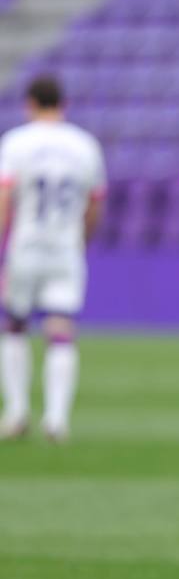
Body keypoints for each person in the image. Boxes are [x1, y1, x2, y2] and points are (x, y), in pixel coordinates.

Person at [0, 76, 105, 442]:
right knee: (61, 330)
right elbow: (95, 204)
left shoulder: (15, 143)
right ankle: (56, 420)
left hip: (25, 247)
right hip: (65, 249)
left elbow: (5, 198)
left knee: (14, 325)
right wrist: (81, 240)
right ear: (63, 103)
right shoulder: (85, 145)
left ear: (30, 103)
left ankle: (16, 413)